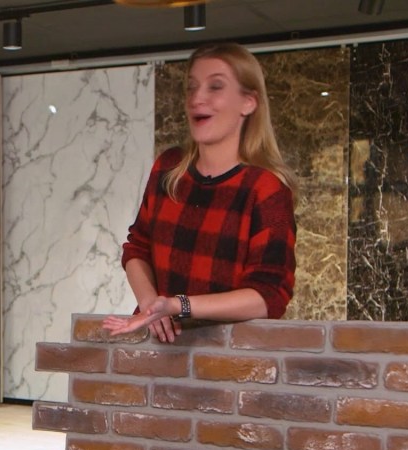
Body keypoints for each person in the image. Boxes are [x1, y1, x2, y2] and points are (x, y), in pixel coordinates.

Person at [105, 43, 296, 342]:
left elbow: (268, 296)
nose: (197, 98)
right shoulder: (169, 168)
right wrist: (152, 305)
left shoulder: (265, 189)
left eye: (215, 86)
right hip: (158, 351)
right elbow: (137, 248)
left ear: (248, 103)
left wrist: (178, 306)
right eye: (192, 87)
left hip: (226, 356)